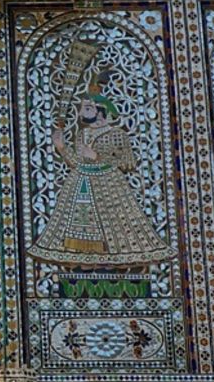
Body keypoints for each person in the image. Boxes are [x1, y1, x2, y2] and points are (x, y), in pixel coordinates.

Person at [31, 80, 171, 268]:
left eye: (87, 109)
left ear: (100, 111)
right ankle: (84, 258)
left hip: (109, 185)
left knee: (114, 228)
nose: (81, 114)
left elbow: (127, 163)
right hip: (81, 182)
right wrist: (62, 148)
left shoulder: (116, 134)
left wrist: (96, 156)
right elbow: (77, 163)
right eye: (83, 109)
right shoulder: (83, 134)